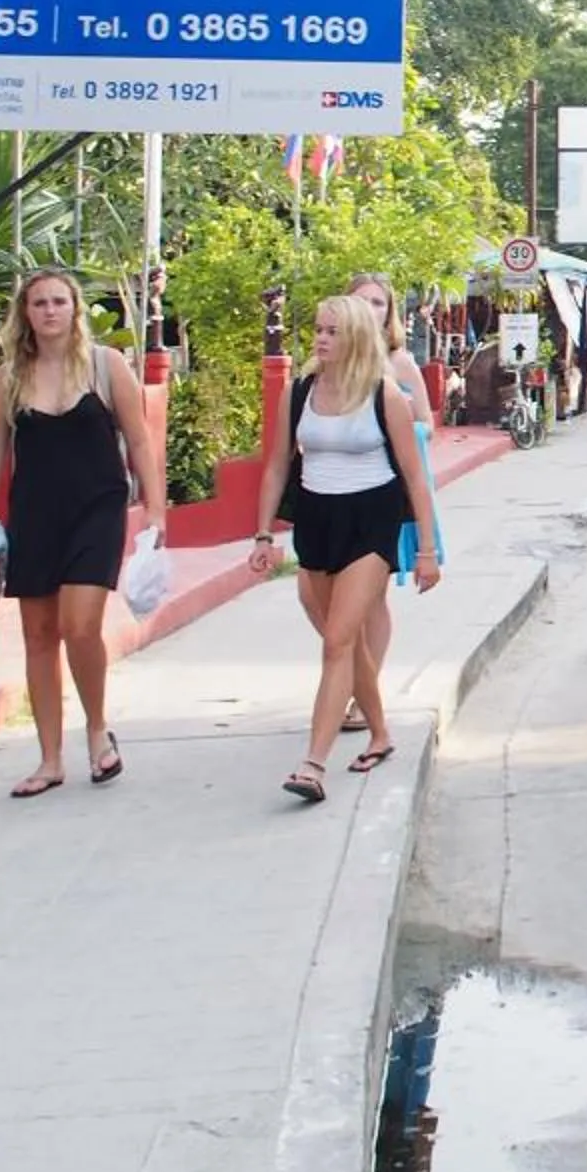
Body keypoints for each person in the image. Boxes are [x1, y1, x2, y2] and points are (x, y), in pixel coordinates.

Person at [0, 270, 167, 798]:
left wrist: (156, 510)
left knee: (80, 624)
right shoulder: (8, 378)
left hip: (97, 509)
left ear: (75, 309)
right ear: (25, 313)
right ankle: (50, 759)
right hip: (34, 515)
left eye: (59, 301)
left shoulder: (106, 365)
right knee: (38, 635)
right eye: (40, 303)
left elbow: (140, 440)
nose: (50, 310)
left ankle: (97, 730)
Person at [250, 295, 441, 805]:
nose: (320, 339)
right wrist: (263, 534)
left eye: (332, 331)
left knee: (337, 640)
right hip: (317, 519)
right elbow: (277, 464)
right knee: (347, 643)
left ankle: (313, 764)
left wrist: (426, 551)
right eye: (318, 329)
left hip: (371, 520)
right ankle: (380, 734)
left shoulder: (384, 394)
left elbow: (415, 478)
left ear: (355, 336)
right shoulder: (300, 392)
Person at [339, 272, 438, 739]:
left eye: (379, 303)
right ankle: (347, 682)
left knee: (371, 596)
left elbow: (426, 424)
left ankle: (364, 693)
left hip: (388, 492)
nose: (371, 310)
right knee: (338, 601)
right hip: (337, 495)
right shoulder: (332, 362)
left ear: (390, 312)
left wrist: (394, 429)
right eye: (362, 301)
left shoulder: (400, 363)